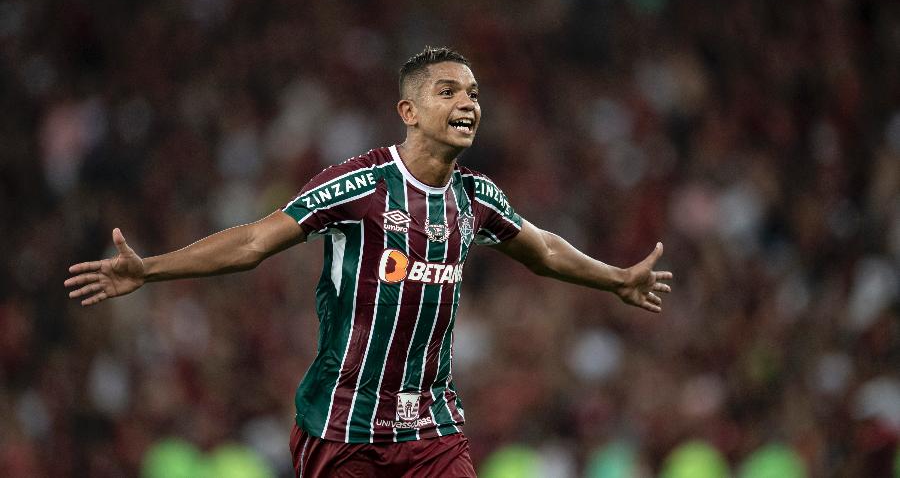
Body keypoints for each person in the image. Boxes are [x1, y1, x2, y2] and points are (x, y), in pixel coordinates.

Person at [65, 47, 673, 477]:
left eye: (474, 93)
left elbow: (541, 250)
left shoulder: (477, 197)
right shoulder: (358, 184)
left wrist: (616, 278)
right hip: (341, 424)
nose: (469, 102)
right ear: (408, 112)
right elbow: (254, 242)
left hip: (431, 424)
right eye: (448, 91)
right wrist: (150, 269)